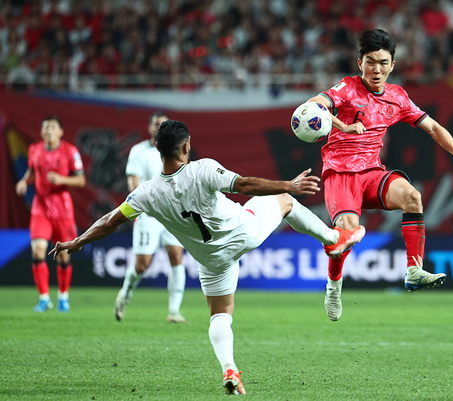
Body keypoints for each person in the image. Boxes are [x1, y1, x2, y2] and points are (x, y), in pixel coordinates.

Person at [49, 120, 365, 395]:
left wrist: (77, 242)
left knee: (220, 315)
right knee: (283, 201)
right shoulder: (203, 169)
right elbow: (243, 185)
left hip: (212, 259)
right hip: (244, 231)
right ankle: (333, 238)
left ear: (158, 151)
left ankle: (230, 370)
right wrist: (289, 185)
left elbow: (110, 221)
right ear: (186, 147)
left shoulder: (146, 193)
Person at [304, 29, 453, 322]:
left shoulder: (397, 96)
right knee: (346, 236)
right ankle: (334, 287)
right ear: (359, 63)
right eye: (371, 62)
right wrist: (344, 125)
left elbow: (434, 128)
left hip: (372, 174)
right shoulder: (347, 89)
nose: (377, 69)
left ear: (393, 65)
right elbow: (313, 105)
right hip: (341, 173)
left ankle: (414, 270)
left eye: (383, 62)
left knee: (412, 197)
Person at [115, 111, 187, 324]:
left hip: (172, 214)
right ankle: (125, 292)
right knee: (142, 265)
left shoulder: (176, 150)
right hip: (149, 214)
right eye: (157, 124)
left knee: (176, 257)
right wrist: (141, 203)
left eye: (164, 125)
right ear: (150, 128)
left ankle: (174, 311)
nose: (160, 127)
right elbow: (132, 182)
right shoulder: (139, 151)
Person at [15, 116, 86, 313]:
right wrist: (23, 182)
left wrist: (61, 178)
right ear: (41, 132)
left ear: (60, 132)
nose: (49, 131)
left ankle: (63, 297)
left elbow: (81, 181)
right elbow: (32, 171)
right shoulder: (34, 149)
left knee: (63, 256)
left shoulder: (70, 151)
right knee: (37, 251)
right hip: (40, 208)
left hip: (62, 209)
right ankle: (44, 298)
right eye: (46, 127)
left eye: (53, 127)